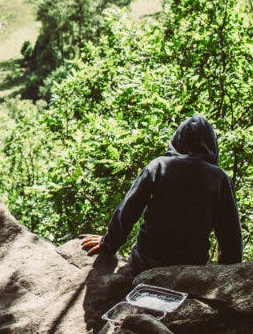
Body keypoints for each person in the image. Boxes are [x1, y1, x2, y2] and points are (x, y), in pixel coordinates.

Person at [81, 114, 243, 276]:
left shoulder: (158, 166)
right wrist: (226, 277)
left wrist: (108, 243)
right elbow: (231, 237)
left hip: (147, 262)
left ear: (177, 139)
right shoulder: (219, 178)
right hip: (191, 267)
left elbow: (129, 209)